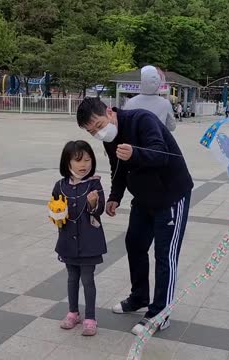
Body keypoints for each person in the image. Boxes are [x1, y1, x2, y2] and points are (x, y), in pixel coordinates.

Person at [76, 97, 193, 336]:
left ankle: (160, 314)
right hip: (143, 198)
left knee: (165, 254)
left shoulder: (142, 120)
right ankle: (140, 296)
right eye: (92, 132)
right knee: (135, 244)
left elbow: (161, 154)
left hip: (171, 195)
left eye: (99, 125)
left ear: (109, 112)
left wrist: (135, 153)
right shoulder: (109, 139)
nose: (99, 134)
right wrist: (115, 196)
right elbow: (117, 168)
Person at [52, 140, 106, 336]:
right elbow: (55, 209)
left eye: (88, 160)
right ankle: (73, 313)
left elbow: (99, 211)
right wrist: (56, 214)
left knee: (88, 279)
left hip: (89, 241)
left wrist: (93, 203)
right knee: (72, 278)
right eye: (78, 160)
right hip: (68, 241)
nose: (84, 165)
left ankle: (90, 317)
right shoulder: (60, 186)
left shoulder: (94, 183)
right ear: (67, 163)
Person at [123, 65, 176, 131]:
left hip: (136, 140)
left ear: (142, 82)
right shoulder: (165, 103)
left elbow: (124, 124)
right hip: (158, 139)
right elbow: (172, 127)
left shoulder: (130, 102)